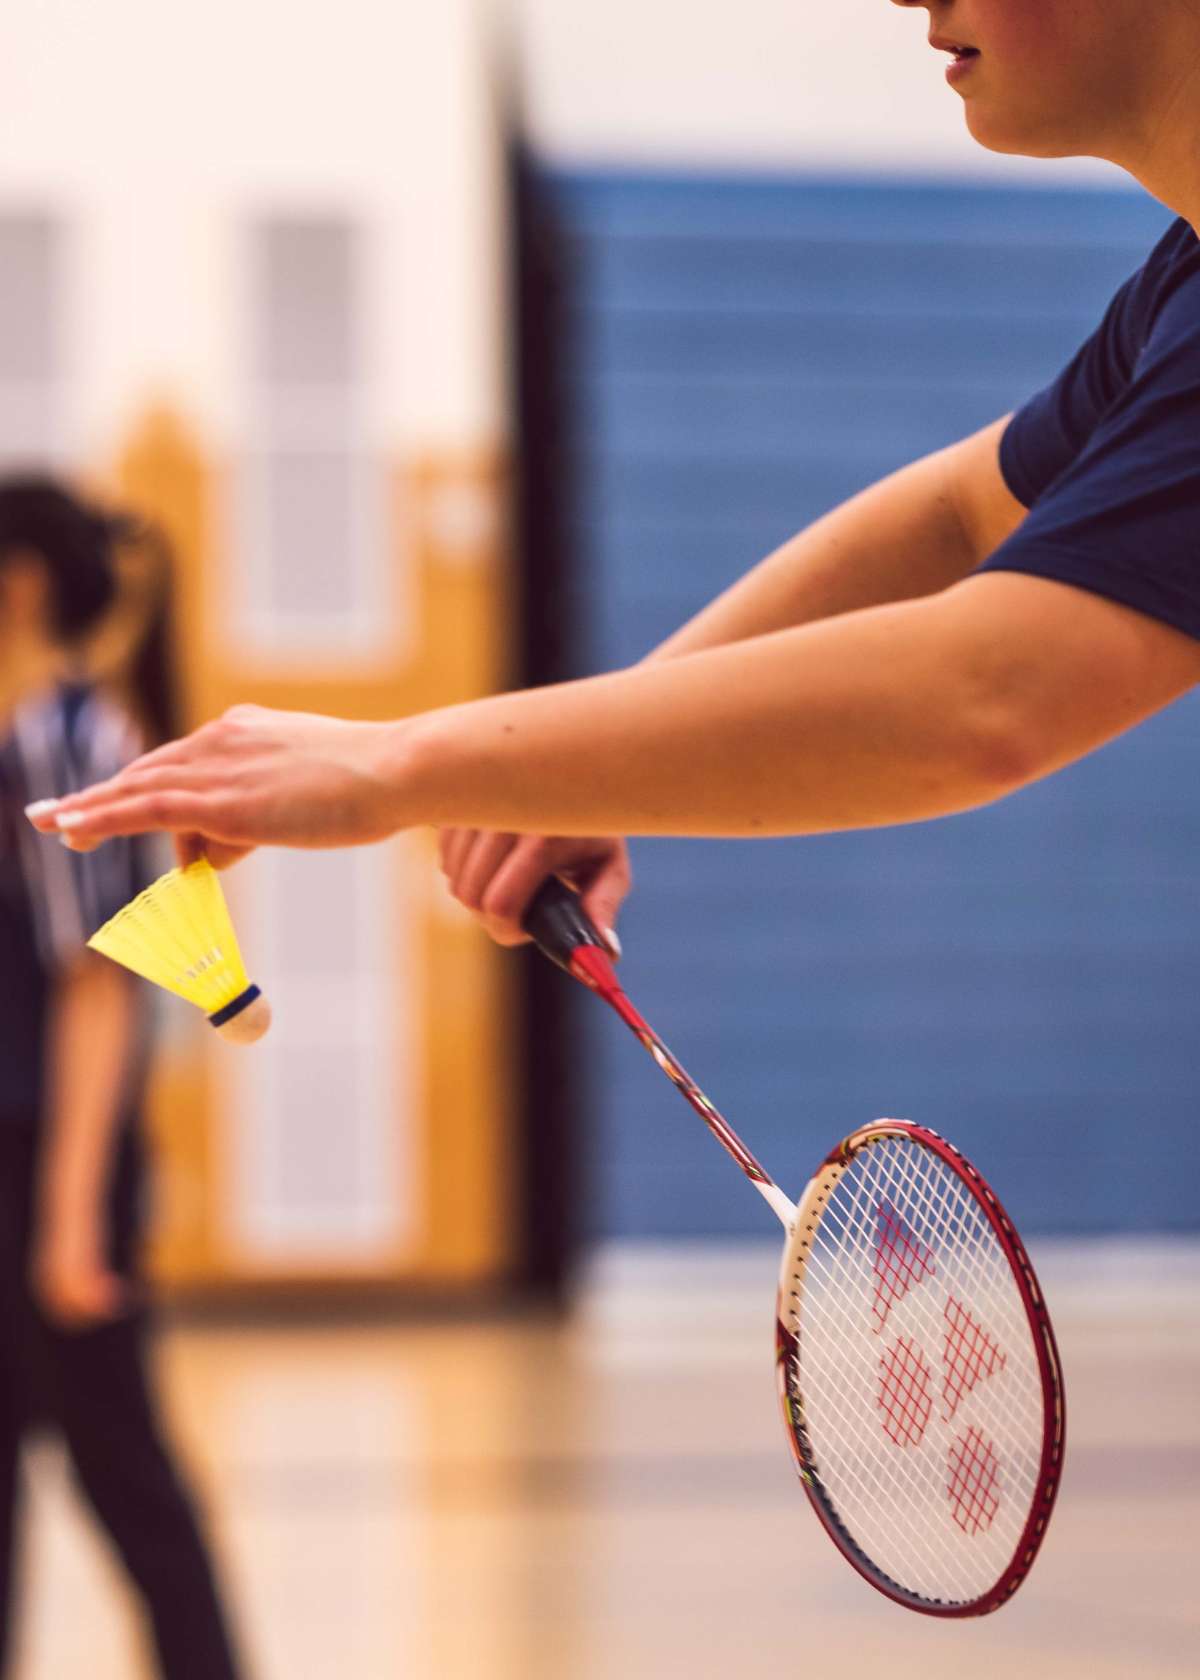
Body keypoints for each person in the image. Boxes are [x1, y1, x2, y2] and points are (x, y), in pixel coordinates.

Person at [24, 2, 1200, 966]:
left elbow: (986, 694)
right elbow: (958, 514)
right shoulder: (1177, 288)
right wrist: (574, 771)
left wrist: (395, 764)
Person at [0, 478, 246, 1679]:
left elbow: (97, 991)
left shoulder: (72, 742)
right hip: (31, 1159)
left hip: (50, 1159)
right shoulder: (36, 731)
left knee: (121, 1465)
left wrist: (65, 1221)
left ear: (26, 580)